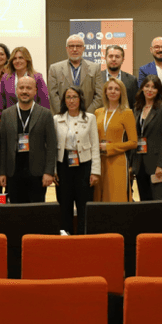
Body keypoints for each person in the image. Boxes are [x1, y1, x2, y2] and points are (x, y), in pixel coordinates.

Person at [0, 75, 57, 203]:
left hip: (37, 173)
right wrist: (1, 172)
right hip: (13, 173)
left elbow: (52, 145)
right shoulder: (6, 114)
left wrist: (49, 172)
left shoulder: (45, 114)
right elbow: (3, 146)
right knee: (16, 213)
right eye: (22, 88)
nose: (25, 91)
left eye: (29, 88)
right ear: (16, 90)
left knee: (36, 213)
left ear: (35, 91)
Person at [53, 86, 99, 234]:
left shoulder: (90, 118)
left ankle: (83, 237)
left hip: (84, 165)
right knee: (64, 204)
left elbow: (95, 146)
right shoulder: (56, 119)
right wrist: (53, 170)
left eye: (74, 97)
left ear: (80, 99)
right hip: (63, 165)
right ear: (64, 100)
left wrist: (95, 171)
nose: (71, 100)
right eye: (68, 97)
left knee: (84, 205)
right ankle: (65, 236)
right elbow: (53, 147)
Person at [131, 75, 162, 207]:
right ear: (142, 88)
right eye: (147, 86)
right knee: (144, 204)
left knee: (159, 204)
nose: (150, 90)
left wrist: (161, 165)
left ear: (158, 90)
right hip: (140, 164)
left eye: (154, 87)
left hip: (156, 166)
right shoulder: (138, 108)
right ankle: (147, 228)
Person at [93, 77, 138, 202]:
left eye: (117, 89)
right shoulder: (98, 112)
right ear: (105, 92)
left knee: (116, 198)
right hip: (99, 161)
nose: (113, 91)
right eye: (110, 88)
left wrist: (109, 147)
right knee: (99, 198)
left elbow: (134, 142)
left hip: (118, 161)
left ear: (121, 93)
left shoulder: (127, 113)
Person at [48, 34, 103, 114]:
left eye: (78, 46)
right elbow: (53, 95)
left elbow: (99, 95)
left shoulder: (95, 68)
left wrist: (86, 115)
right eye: (71, 46)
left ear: (83, 48)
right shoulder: (54, 69)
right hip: (63, 117)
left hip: (87, 117)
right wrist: (64, 114)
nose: (74, 49)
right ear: (66, 48)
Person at [0, 46, 51, 110]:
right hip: (11, 117)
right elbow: (1, 102)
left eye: (21, 58)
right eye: (14, 58)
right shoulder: (5, 78)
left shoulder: (37, 78)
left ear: (27, 60)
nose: (17, 61)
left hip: (34, 117)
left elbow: (44, 102)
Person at [101, 45, 137, 110]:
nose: (114, 59)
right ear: (105, 58)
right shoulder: (96, 78)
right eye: (110, 56)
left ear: (123, 59)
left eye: (117, 57)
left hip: (124, 117)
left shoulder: (132, 80)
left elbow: (134, 104)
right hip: (101, 117)